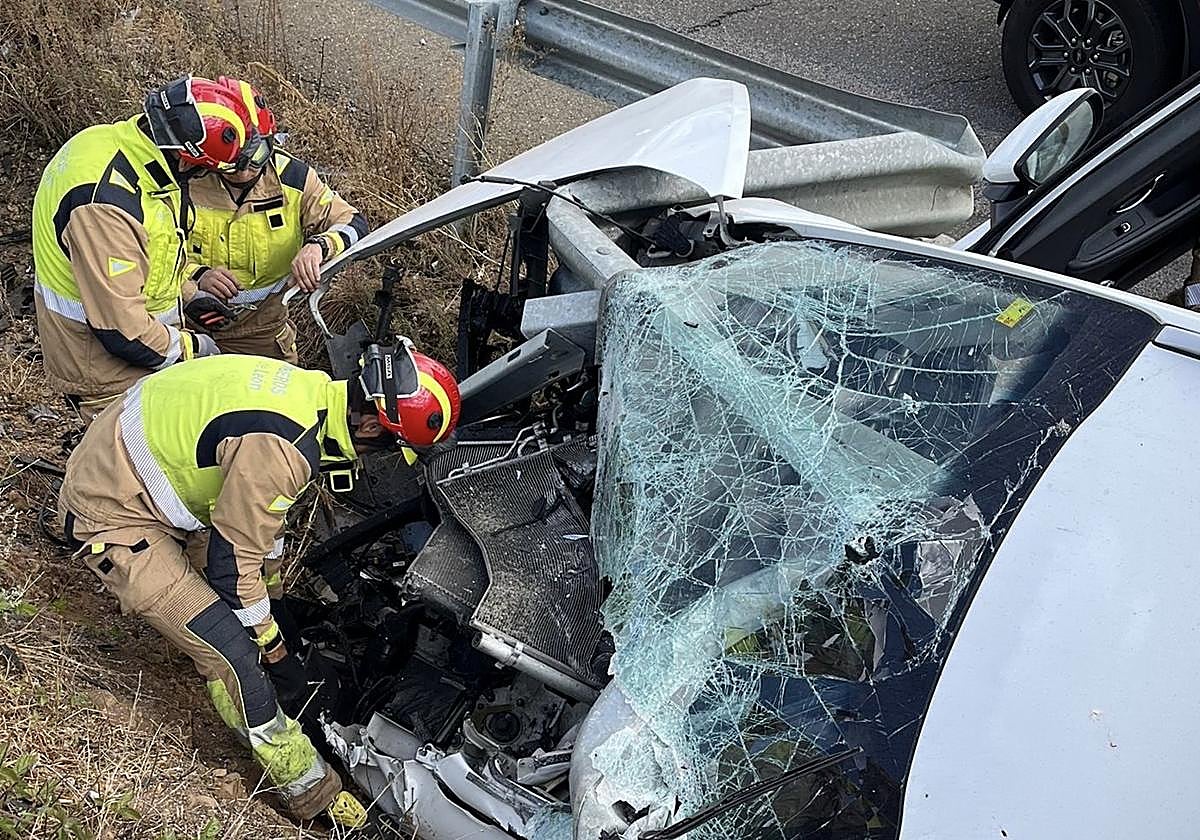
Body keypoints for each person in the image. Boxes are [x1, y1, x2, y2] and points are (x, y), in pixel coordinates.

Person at [57, 340, 460, 826]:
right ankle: (314, 795)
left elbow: (260, 527)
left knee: (246, 614)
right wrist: (274, 651)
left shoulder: (311, 394)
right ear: (371, 424)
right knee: (233, 655)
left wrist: (273, 600)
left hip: (141, 467)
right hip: (114, 512)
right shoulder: (285, 449)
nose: (384, 460)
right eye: (392, 448)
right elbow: (231, 569)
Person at [32, 75, 266, 424]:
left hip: (136, 344)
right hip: (104, 372)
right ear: (188, 160)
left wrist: (188, 293)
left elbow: (148, 253)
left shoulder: (141, 158)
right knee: (137, 466)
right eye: (206, 173)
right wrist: (195, 349)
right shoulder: (107, 206)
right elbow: (122, 332)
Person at [180, 78, 368, 362]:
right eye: (233, 165)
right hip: (189, 327)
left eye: (256, 157)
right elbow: (148, 254)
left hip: (262, 332)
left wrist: (318, 246)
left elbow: (353, 222)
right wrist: (196, 278)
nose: (246, 173)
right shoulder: (183, 184)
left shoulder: (294, 178)